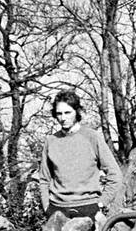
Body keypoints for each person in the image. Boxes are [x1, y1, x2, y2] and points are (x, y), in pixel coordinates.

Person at [37, 90, 123, 221]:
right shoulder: (51, 141)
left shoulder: (92, 137)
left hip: (88, 209)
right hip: (57, 210)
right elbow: (44, 179)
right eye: (59, 113)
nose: (63, 118)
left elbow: (115, 174)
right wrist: (46, 207)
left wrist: (101, 203)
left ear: (77, 112)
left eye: (67, 112)